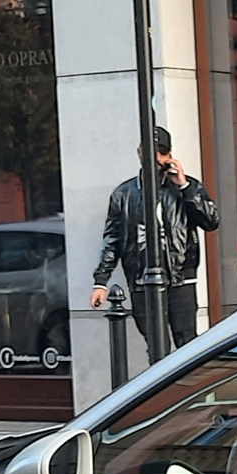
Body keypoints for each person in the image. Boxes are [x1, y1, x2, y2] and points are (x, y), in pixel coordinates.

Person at [89, 125, 218, 356]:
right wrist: (101, 281)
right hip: (142, 281)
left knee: (187, 344)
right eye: (150, 151)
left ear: (169, 156)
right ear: (140, 152)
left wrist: (185, 187)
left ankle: (188, 392)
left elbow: (211, 222)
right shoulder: (125, 194)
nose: (156, 158)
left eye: (161, 152)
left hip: (180, 280)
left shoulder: (187, 187)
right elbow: (112, 239)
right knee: (157, 348)